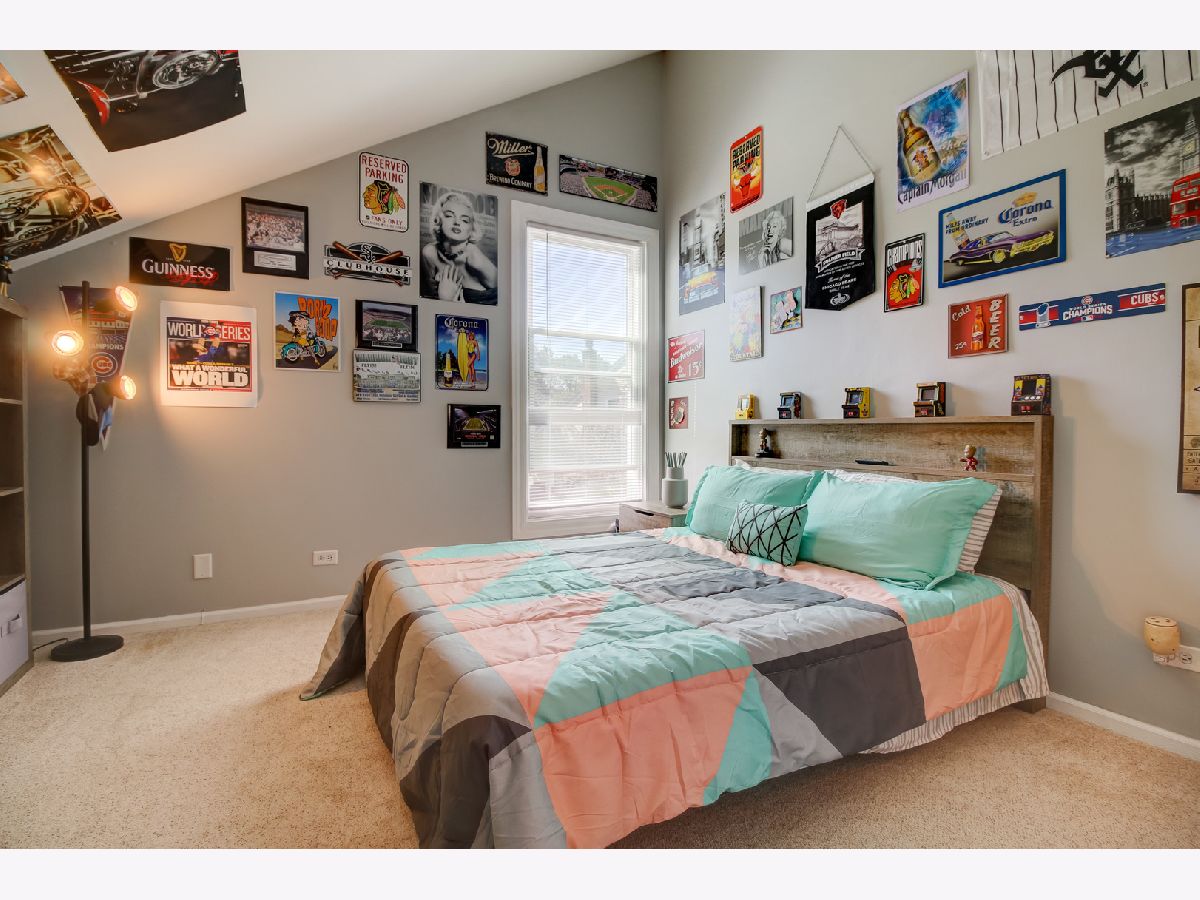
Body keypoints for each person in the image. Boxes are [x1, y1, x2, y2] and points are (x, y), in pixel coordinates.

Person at [420, 190, 498, 303]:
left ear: (472, 229)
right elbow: (428, 296)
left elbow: (505, 296)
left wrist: (449, 301)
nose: (457, 222)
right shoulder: (429, 253)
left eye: (465, 220)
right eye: (449, 216)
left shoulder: (474, 259)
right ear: (438, 220)